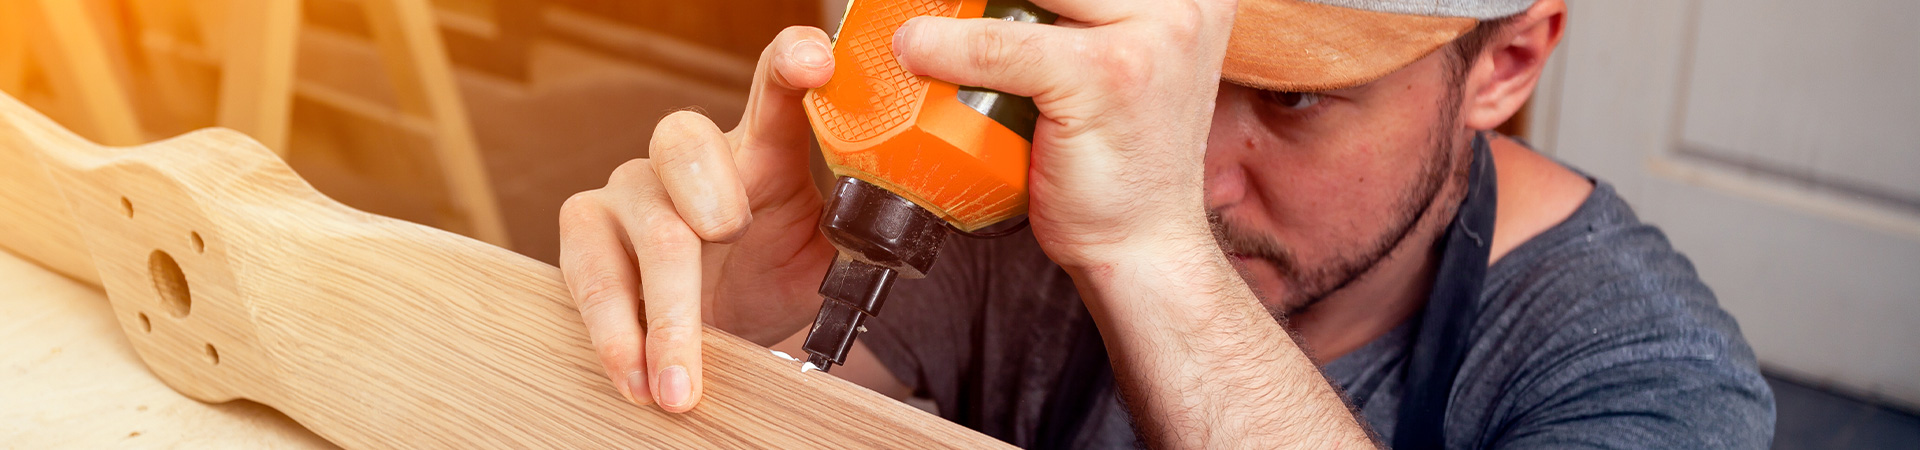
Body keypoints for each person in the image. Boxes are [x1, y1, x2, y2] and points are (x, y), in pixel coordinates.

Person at [556, 0, 1775, 447]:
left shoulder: (1642, 372)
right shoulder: (1027, 181)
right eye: (1149, 81)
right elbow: (795, 386)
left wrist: (1151, 256)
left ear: (1506, 62)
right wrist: (721, 329)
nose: (1185, 174)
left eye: (1292, 101)